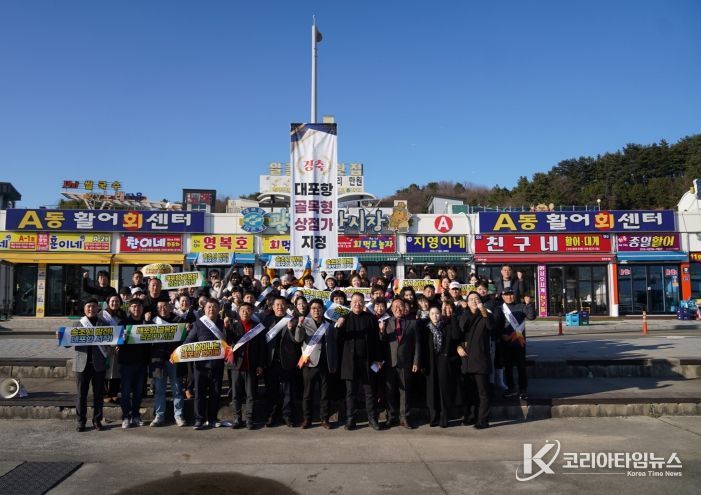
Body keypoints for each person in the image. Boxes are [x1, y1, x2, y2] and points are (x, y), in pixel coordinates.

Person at [338, 293, 383, 431]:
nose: (357, 304)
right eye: (355, 301)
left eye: (360, 301)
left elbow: (377, 341)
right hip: (349, 362)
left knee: (369, 392)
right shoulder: (345, 318)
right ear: (350, 304)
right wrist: (339, 327)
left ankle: (372, 419)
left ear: (364, 303)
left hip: (367, 362)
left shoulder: (371, 318)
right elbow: (338, 340)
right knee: (350, 392)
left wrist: (378, 360)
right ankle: (351, 419)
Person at [183, 298, 230, 430]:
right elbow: (188, 342)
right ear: (204, 309)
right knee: (200, 394)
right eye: (209, 307)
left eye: (214, 307)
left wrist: (228, 328)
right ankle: (199, 419)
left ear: (218, 309)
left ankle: (213, 419)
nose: (211, 309)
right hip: (200, 366)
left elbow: (229, 342)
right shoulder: (198, 324)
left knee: (215, 393)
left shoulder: (222, 324)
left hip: (217, 365)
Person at [294, 298, 338, 429]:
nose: (316, 310)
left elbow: (333, 345)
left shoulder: (328, 325)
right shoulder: (304, 322)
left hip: (326, 363)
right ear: (310, 310)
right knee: (308, 394)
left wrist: (334, 363)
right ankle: (307, 419)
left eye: (319, 308)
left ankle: (325, 419)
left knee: (325, 394)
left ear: (323, 310)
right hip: (309, 363)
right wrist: (299, 325)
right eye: (313, 308)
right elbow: (298, 339)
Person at [380, 298, 420, 429]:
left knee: (405, 392)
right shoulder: (385, 322)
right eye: (395, 306)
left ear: (405, 308)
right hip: (389, 363)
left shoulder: (412, 323)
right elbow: (380, 343)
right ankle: (391, 417)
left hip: (406, 363)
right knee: (389, 391)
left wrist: (416, 361)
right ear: (391, 309)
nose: (398, 309)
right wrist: (381, 331)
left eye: (401, 306)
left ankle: (404, 418)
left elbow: (417, 345)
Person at [458, 292, 495, 429]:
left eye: (476, 299)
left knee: (483, 393)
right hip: (466, 360)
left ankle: (483, 419)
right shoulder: (463, 315)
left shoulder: (485, 315)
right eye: (471, 299)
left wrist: (482, 309)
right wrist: (458, 347)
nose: (474, 301)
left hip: (480, 359)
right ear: (467, 302)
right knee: (470, 392)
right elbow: (459, 333)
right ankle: (471, 416)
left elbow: (490, 326)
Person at [226, 302, 266, 430]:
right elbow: (226, 341)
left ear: (252, 312)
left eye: (248, 309)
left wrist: (260, 364)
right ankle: (237, 419)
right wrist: (226, 327)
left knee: (251, 395)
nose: (245, 312)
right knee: (236, 395)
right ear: (238, 312)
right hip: (236, 366)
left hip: (251, 366)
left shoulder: (258, 328)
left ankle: (249, 419)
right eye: (242, 310)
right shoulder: (232, 326)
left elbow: (261, 348)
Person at [71, 298, 109, 431]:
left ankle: (97, 420)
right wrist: (61, 337)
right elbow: (68, 343)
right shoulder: (77, 324)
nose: (91, 309)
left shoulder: (104, 324)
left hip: (98, 364)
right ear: (84, 308)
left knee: (98, 394)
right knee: (81, 394)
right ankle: (81, 421)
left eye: (93, 306)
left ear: (98, 308)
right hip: (81, 364)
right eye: (88, 306)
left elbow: (111, 340)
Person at [264, 296, 301, 427]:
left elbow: (297, 340)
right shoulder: (266, 321)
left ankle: (287, 416)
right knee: (271, 390)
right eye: (277, 305)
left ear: (287, 306)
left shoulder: (293, 320)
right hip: (271, 361)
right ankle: (271, 416)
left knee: (288, 391)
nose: (280, 307)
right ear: (273, 307)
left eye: (283, 304)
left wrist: (291, 329)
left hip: (287, 360)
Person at [149, 300, 187, 427]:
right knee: (159, 389)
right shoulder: (152, 322)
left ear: (170, 306)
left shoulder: (179, 320)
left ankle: (179, 415)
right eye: (159, 306)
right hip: (158, 361)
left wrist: (187, 328)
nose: (162, 308)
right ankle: (159, 415)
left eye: (165, 306)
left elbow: (184, 338)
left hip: (174, 359)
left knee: (177, 389)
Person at [422, 305, 458, 427]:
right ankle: (433, 418)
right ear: (429, 315)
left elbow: (455, 337)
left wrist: (452, 318)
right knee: (432, 390)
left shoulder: (446, 327)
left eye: (437, 313)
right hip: (431, 362)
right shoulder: (425, 329)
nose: (435, 316)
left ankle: (444, 418)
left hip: (444, 361)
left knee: (444, 389)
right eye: (432, 314)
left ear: (440, 314)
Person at [117, 298, 150, 429]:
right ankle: (126, 416)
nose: (136, 309)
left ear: (142, 309)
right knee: (125, 392)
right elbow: (116, 342)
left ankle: (136, 415)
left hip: (141, 362)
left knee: (138, 391)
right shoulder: (123, 323)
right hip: (126, 363)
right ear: (130, 309)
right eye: (134, 306)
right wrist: (121, 340)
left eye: (139, 306)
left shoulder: (146, 323)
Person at [497, 288, 536, 400]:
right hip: (506, 342)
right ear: (502, 297)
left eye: (511, 294)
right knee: (508, 367)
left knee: (521, 367)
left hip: (519, 342)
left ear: (514, 295)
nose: (509, 297)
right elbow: (496, 325)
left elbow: (531, 317)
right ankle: (511, 389)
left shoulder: (521, 306)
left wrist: (529, 304)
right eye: (506, 295)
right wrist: (501, 335)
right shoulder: (500, 308)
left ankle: (523, 390)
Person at [100, 294, 125, 404]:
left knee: (116, 371)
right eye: (112, 301)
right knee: (104, 370)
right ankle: (105, 393)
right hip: (104, 347)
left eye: (117, 301)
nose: (115, 303)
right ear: (108, 302)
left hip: (117, 347)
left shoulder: (122, 314)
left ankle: (114, 392)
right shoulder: (102, 314)